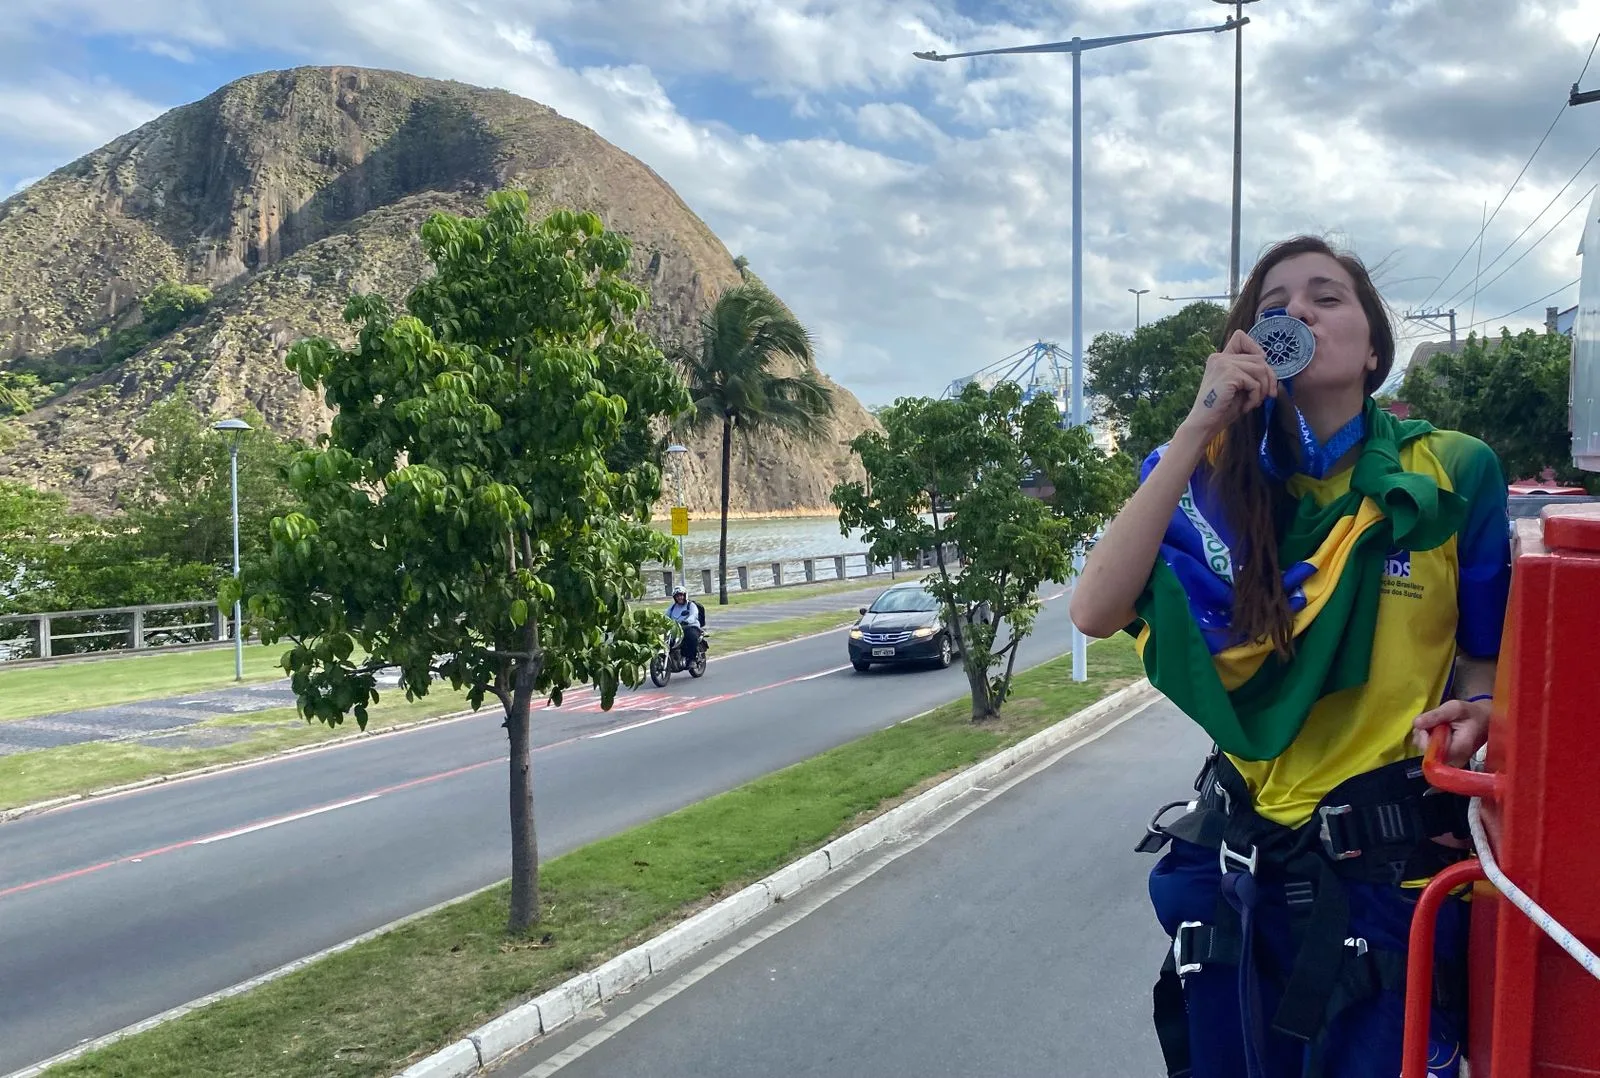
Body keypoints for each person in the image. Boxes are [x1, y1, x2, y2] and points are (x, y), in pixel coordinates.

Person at [1070, 235, 1511, 1078]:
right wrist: (1202, 423)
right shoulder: (1210, 481)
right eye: (1272, 307)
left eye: (1325, 298)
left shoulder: (1452, 470)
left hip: (1385, 883)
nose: (1296, 314)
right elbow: (1095, 609)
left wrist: (1479, 715)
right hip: (1239, 885)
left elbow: (1484, 669)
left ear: (1373, 347)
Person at [667, 586, 703, 665]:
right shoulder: (672, 607)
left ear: (685, 595)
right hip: (676, 628)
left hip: (690, 626)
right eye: (677, 596)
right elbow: (665, 616)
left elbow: (694, 615)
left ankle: (692, 659)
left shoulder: (691, 605)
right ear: (674, 597)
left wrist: (686, 621)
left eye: (681, 595)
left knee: (691, 636)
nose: (679, 597)